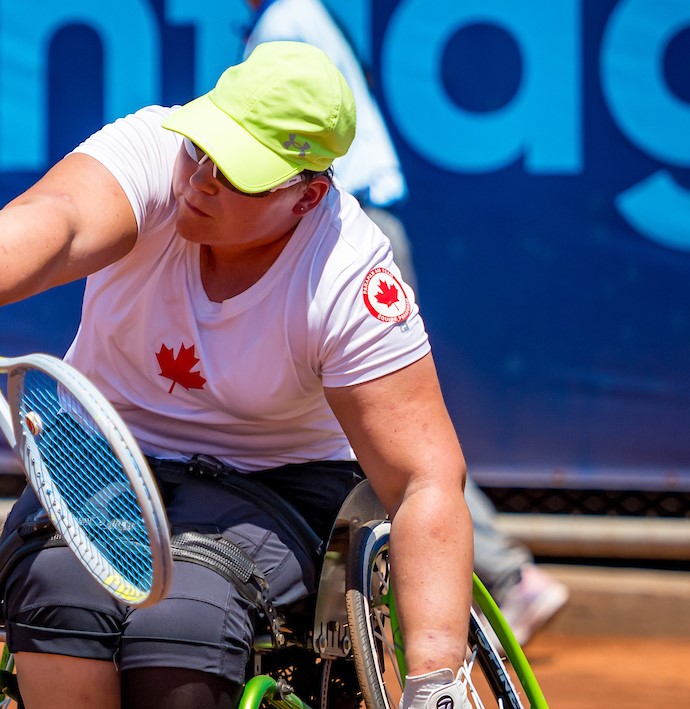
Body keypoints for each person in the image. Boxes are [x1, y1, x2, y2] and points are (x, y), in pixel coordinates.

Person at [0, 42, 474, 709]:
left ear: (306, 195)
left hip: (274, 488)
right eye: (204, 150)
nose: (204, 180)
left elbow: (424, 478)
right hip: (102, 457)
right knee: (58, 588)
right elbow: (59, 219)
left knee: (186, 616)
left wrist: (434, 674)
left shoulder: (348, 279)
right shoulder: (156, 153)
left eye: (239, 174)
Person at [243, 0, 569, 645]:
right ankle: (503, 579)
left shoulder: (285, 23)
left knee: (385, 429)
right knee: (383, 428)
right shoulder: (299, 16)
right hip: (348, 227)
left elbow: (280, 164)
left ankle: (504, 579)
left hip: (336, 236)